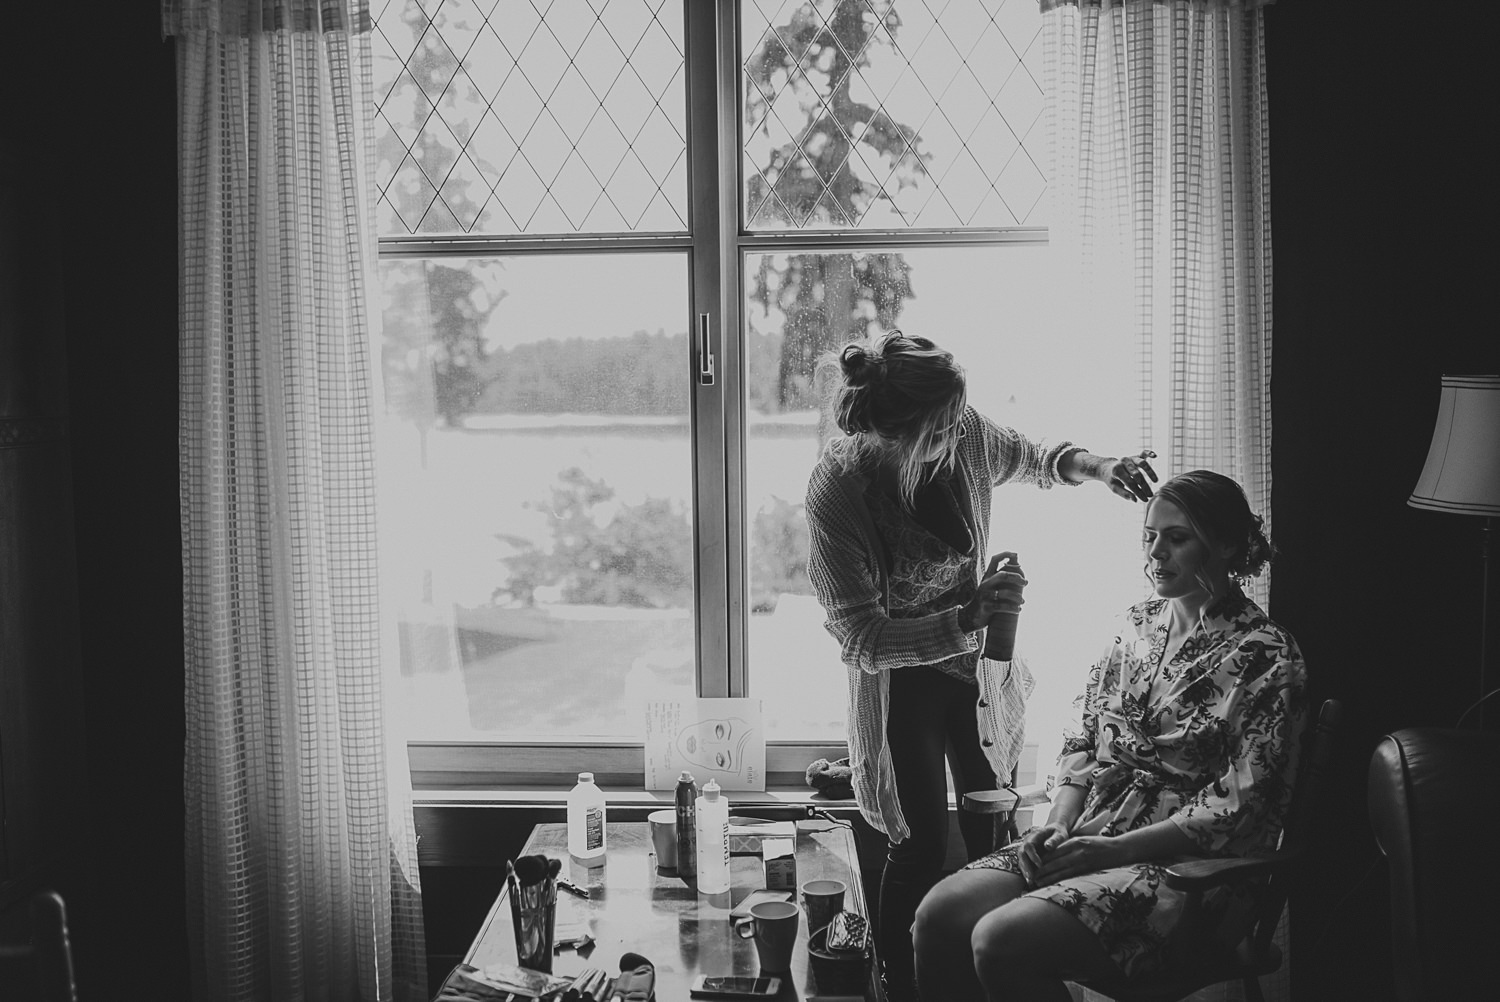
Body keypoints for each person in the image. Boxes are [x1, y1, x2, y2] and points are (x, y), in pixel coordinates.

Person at [802, 330, 1158, 1001]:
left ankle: (996, 974)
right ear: (898, 431)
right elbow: (860, 637)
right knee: (921, 842)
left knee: (995, 824)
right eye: (943, 428)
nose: (959, 437)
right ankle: (898, 988)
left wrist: (1101, 466)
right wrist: (964, 618)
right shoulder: (838, 491)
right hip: (901, 681)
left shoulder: (961, 432)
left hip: (976, 676)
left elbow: (1033, 456)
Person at [911, 469, 1309, 1002]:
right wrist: (1057, 825)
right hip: (1091, 831)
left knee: (999, 939)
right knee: (937, 915)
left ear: (1228, 545)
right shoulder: (1135, 626)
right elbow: (1082, 740)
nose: (1156, 553)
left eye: (1177, 537)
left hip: (1189, 875)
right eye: (1149, 536)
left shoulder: (1266, 655)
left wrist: (1112, 851)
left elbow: (1242, 805)